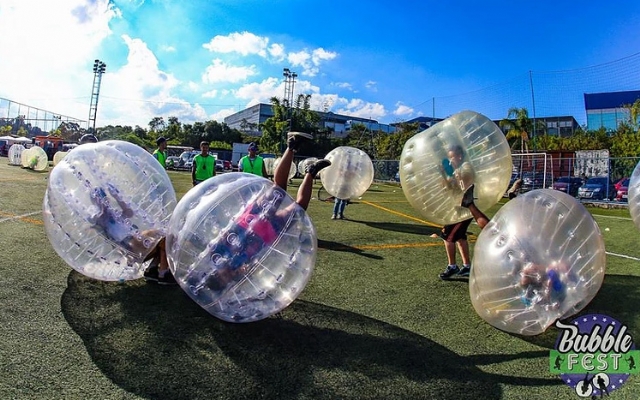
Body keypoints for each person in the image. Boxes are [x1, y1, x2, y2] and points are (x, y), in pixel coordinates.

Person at [187, 132, 331, 295]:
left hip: (251, 220)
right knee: (299, 209)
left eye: (221, 277)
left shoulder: (216, 254)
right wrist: (241, 269)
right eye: (225, 281)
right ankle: (311, 173)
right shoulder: (237, 271)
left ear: (214, 272)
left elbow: (218, 236)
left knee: (279, 189)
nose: (226, 277)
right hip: (269, 233)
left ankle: (292, 145)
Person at [438, 144, 477, 280]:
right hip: (458, 207)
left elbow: (464, 185)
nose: (450, 161)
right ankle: (466, 266)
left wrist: (453, 172)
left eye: (451, 157)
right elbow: (448, 187)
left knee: (447, 236)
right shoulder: (456, 169)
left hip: (463, 208)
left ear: (459, 156)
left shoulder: (465, 167)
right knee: (460, 237)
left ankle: (452, 266)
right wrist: (444, 174)